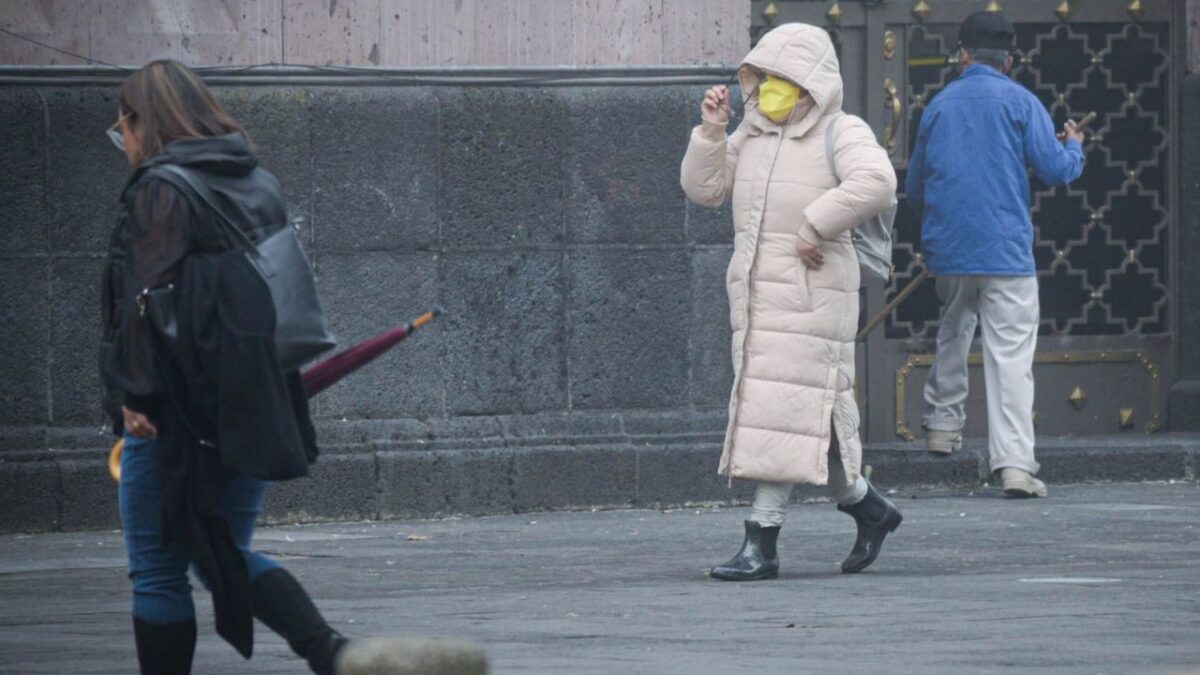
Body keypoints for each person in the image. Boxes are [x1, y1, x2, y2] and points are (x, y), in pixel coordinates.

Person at [99, 60, 484, 675]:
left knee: (157, 567)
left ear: (143, 121)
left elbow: (148, 299)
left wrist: (135, 395)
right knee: (219, 551)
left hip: (177, 411)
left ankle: (334, 654)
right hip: (257, 399)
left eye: (124, 126)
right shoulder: (256, 181)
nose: (125, 141)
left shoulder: (160, 189)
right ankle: (335, 655)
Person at [680, 24, 901, 581]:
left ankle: (762, 543)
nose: (771, 89)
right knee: (800, 418)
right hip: (757, 298)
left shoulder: (841, 130)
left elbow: (877, 182)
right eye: (765, 77)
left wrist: (814, 224)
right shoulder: (750, 133)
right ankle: (869, 508)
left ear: (811, 83)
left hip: (813, 294)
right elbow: (706, 191)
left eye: (783, 79)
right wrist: (711, 131)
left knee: (777, 412)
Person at [906, 12, 1085, 498]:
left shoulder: (939, 105)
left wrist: (942, 230)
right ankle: (1014, 466)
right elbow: (1055, 170)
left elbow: (915, 185)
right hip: (1006, 251)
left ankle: (942, 428)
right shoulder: (1021, 101)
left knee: (954, 331)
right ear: (1008, 59)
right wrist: (1075, 147)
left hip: (951, 248)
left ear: (962, 55)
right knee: (1009, 358)